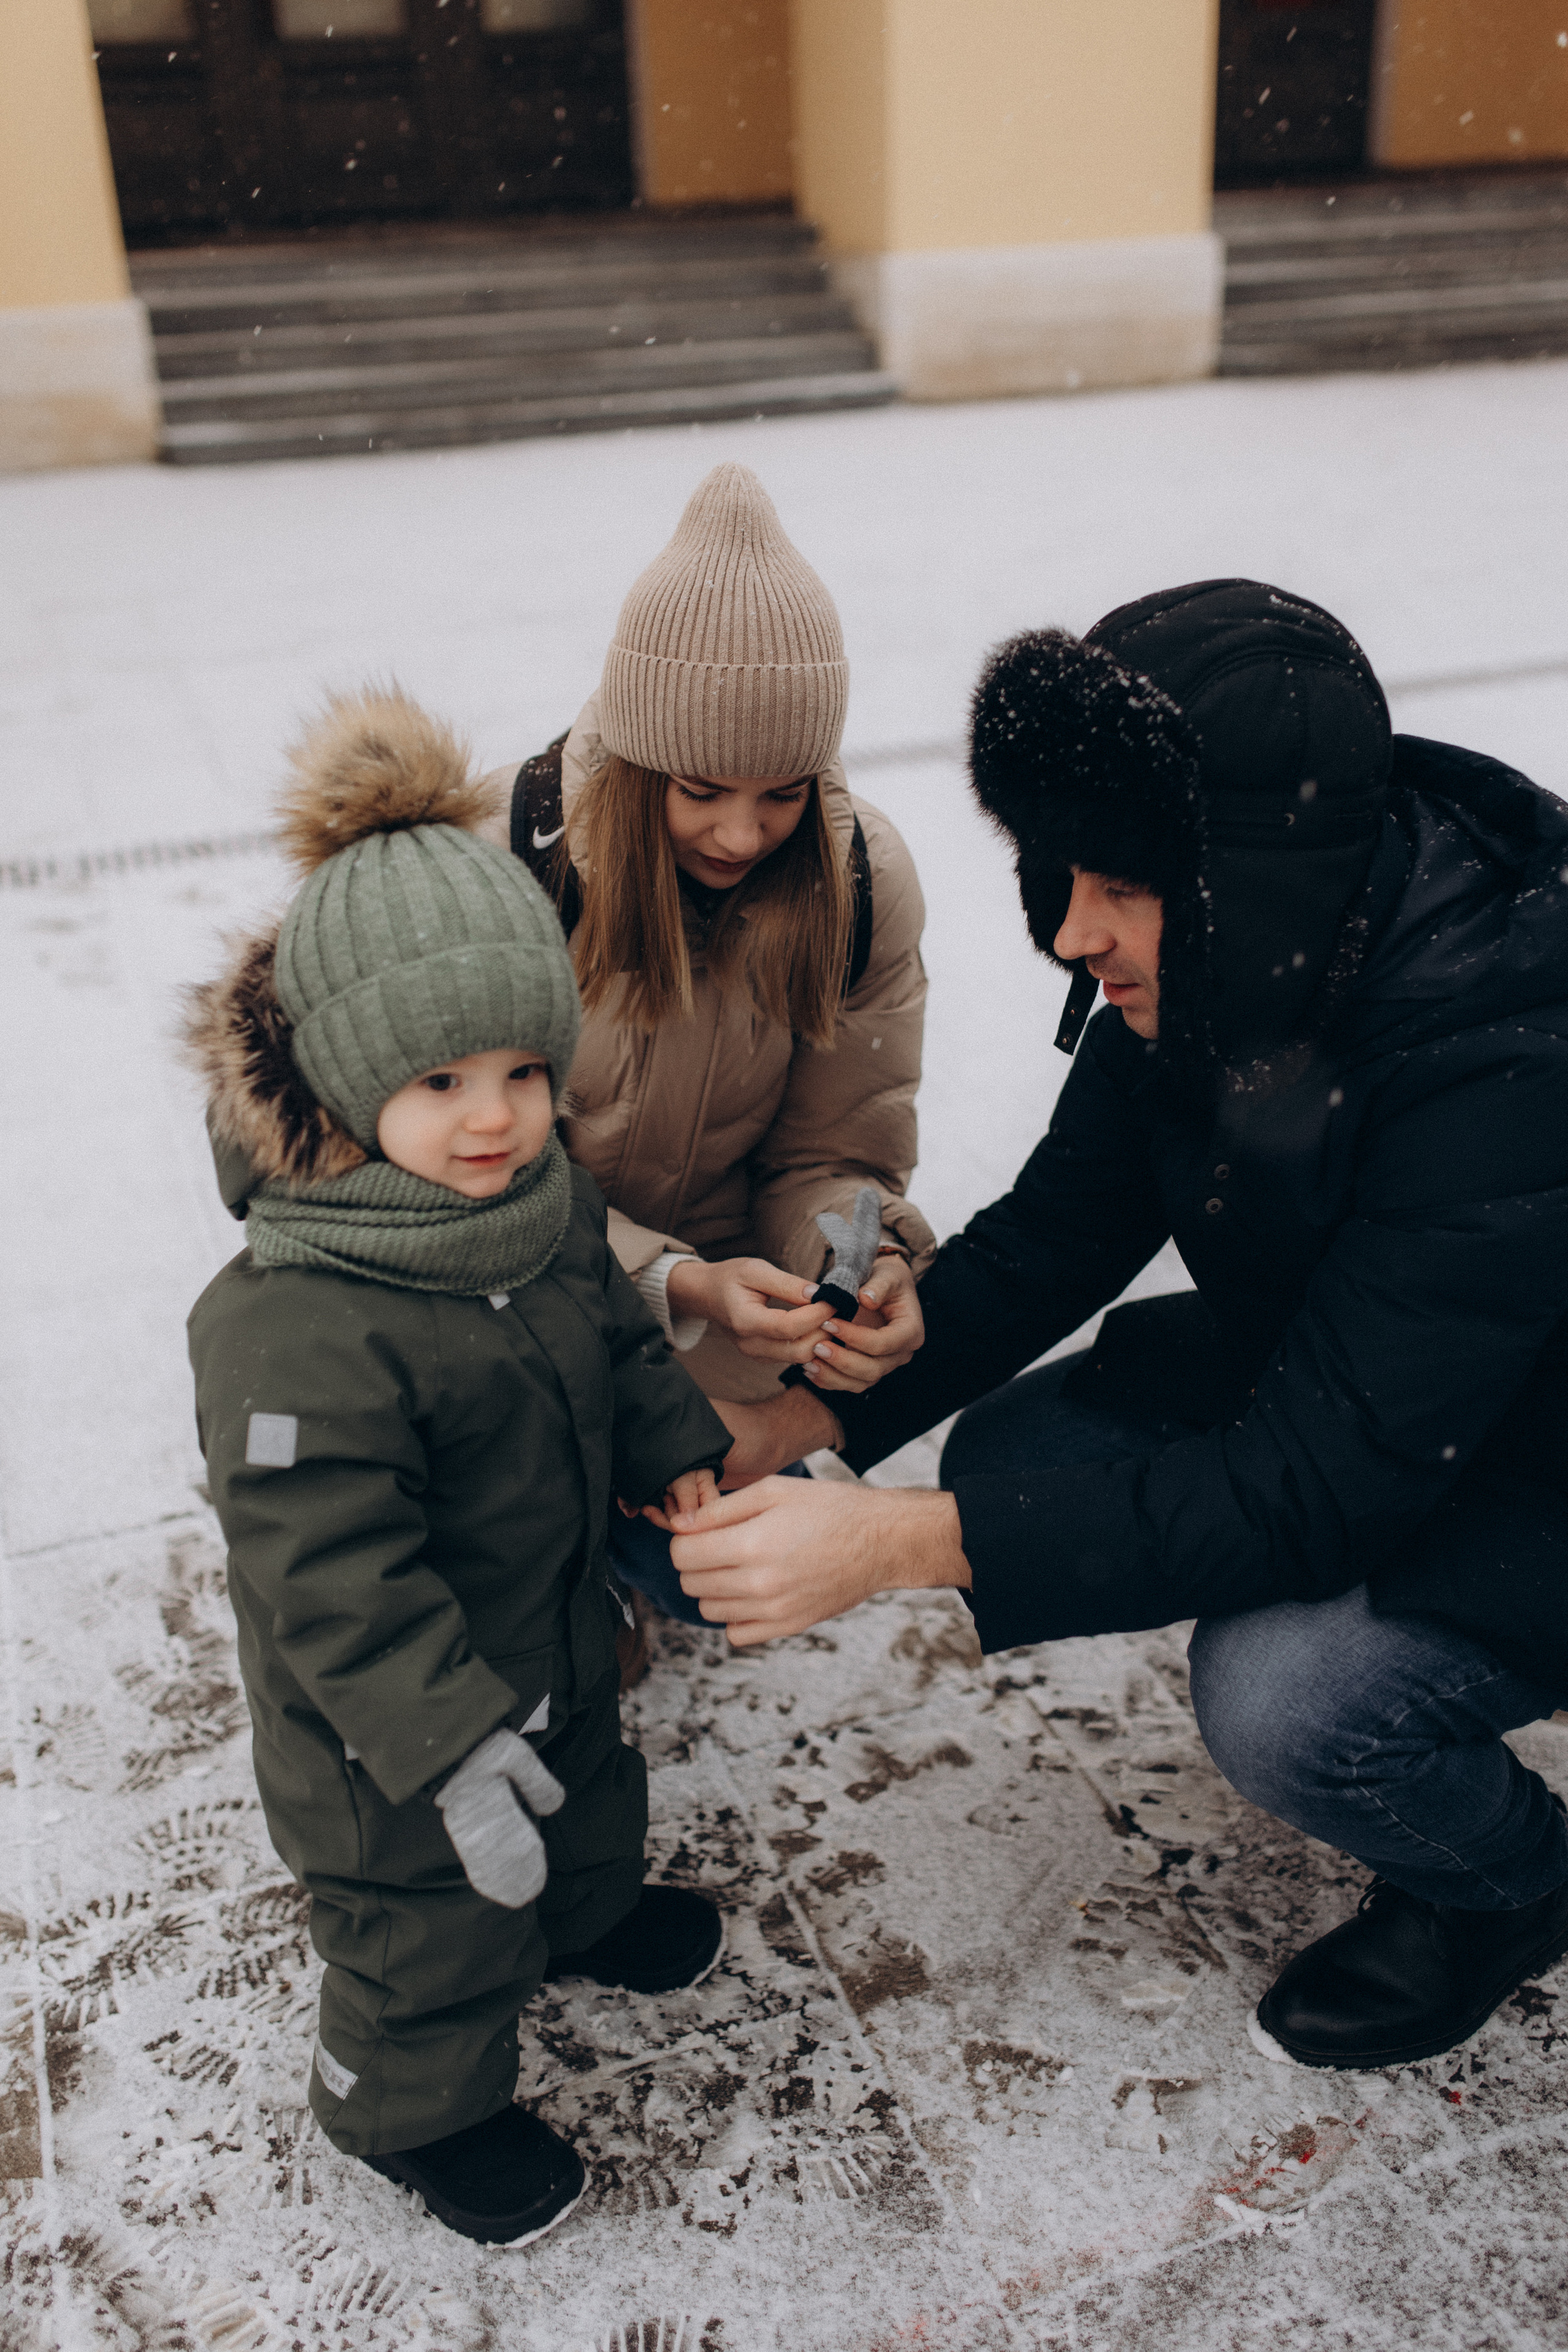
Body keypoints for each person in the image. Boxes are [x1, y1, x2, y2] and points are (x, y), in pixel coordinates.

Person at [672, 579, 1568, 2074]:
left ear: (1242, 876)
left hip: (1539, 1452)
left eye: (1121, 881)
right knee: (1023, 1447)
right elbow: (1065, 1223)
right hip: (1388, 1372)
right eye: (1061, 868)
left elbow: (1316, 1484)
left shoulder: (1502, 1055)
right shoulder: (1242, 938)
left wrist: (893, 1544)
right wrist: (807, 1426)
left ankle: (1508, 1881)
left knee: (1282, 1700)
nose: (1073, 929)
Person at [184, 689, 734, 2247]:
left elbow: (617, 1343)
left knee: (584, 1793)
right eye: (436, 1083)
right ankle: (405, 2109)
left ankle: (586, 1911)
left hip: (548, 1628)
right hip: (388, 1742)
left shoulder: (539, 1205)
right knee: (426, 1928)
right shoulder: (294, 1322)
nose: (490, 1118)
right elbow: (329, 1578)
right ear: (352, 1083)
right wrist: (437, 1742)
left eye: (518, 1070)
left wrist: (678, 1454)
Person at [472, 462, 935, 1662]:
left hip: (703, 1324)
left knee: (714, 1574)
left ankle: (620, 1534)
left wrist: (849, 1263)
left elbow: (835, 1145)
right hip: (502, 1301)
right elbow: (445, 1185)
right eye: (698, 791)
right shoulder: (501, 869)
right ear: (631, 763)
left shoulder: (858, 882)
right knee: (492, 1523)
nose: (741, 833)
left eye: (783, 794)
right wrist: (671, 1282)